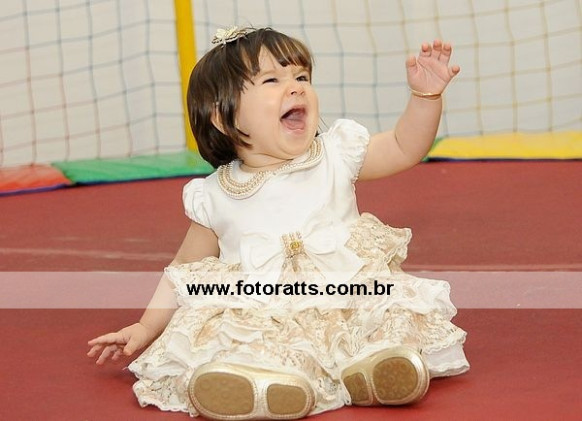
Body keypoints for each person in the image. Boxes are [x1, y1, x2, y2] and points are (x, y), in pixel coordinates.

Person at [88, 26, 469, 420]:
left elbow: (404, 146)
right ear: (222, 116)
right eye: (272, 80)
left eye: (301, 76)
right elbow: (184, 270)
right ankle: (266, 384)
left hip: (349, 298)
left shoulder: (334, 155)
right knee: (246, 340)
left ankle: (374, 368)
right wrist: (146, 326)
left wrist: (426, 97)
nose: (296, 87)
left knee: (382, 318)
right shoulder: (215, 194)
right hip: (266, 311)